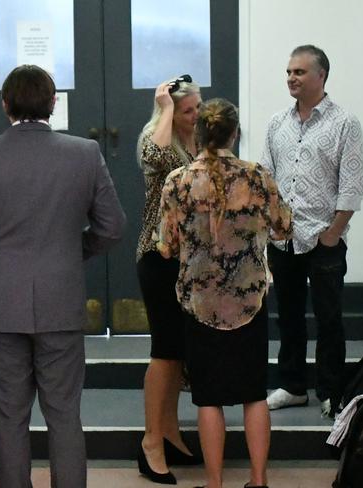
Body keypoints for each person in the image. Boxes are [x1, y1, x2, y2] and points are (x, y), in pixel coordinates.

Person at [0, 64, 126, 488]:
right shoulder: (84, 153)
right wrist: (72, 250)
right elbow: (113, 226)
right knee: (64, 414)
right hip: (60, 301)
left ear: (5, 104)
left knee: (9, 416)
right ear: (53, 103)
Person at [158, 98, 292, 488]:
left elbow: (166, 246)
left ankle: (214, 483)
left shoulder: (179, 181)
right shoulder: (258, 177)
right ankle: (258, 479)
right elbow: (285, 227)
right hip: (249, 300)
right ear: (235, 133)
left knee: (208, 399)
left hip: (200, 303)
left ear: (198, 133)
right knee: (254, 394)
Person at [261, 45, 363, 418]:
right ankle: (292, 385)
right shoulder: (277, 123)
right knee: (287, 315)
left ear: (321, 76)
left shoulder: (344, 123)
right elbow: (265, 177)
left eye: (300, 72)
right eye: (289, 71)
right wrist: (271, 226)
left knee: (329, 317)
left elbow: (352, 184)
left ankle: (330, 390)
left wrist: (333, 233)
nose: (291, 78)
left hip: (324, 238)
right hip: (283, 240)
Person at [135, 75, 203, 485]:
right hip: (158, 256)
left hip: (191, 261)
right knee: (164, 350)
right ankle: (150, 443)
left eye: (197, 108)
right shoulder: (156, 132)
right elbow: (154, 156)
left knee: (179, 352)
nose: (195, 115)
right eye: (187, 110)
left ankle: (171, 431)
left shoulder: (197, 138)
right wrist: (163, 108)